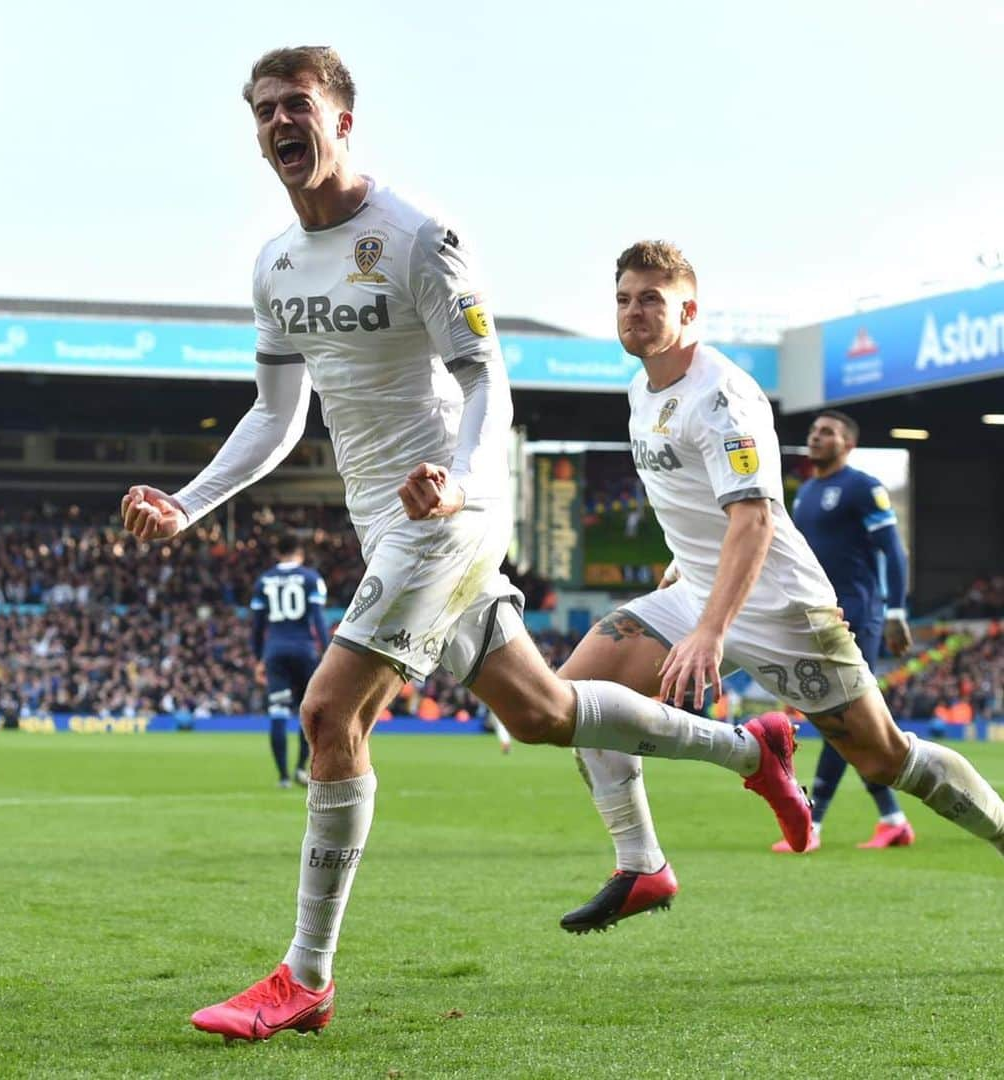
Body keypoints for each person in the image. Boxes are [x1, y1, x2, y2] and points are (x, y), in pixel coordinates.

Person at [121, 47, 811, 1043]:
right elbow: (275, 416)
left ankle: (303, 977)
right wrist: (188, 504)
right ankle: (751, 747)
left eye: (298, 104)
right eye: (265, 108)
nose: (281, 121)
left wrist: (463, 482)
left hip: (448, 512)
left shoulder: (416, 237)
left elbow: (488, 379)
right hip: (384, 520)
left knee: (328, 713)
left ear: (342, 120)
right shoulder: (275, 265)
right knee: (538, 712)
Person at [558, 240, 1004, 935]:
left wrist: (709, 630)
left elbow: (755, 517)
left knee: (884, 758)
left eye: (652, 299)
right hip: (699, 590)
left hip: (782, 608)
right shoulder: (641, 389)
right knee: (577, 702)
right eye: (624, 298)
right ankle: (643, 863)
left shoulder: (724, 395)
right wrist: (685, 575)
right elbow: (696, 504)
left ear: (689, 309)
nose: (634, 312)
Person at [770, 410, 915, 852]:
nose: (816, 437)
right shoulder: (807, 492)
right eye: (814, 431)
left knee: (844, 714)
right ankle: (892, 818)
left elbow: (893, 550)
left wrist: (895, 612)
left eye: (827, 432)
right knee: (840, 717)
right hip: (820, 615)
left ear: (847, 443)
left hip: (859, 614)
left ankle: (812, 822)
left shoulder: (863, 488)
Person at [251, 529, 329, 787]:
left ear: (278, 553)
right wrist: (327, 652)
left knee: (278, 713)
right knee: (310, 712)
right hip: (305, 650)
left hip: (275, 651)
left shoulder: (264, 581)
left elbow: (256, 625)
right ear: (301, 554)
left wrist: (258, 658)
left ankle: (283, 776)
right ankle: (300, 769)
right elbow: (318, 619)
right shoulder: (310, 578)